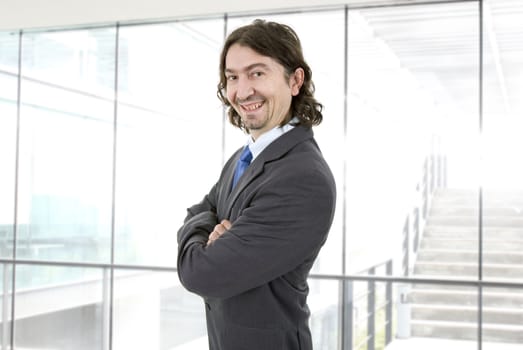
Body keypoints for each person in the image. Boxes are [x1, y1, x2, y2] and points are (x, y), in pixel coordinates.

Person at [177, 19, 336, 350]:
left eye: (257, 73)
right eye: (233, 77)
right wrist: (209, 228)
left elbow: (201, 274)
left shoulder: (303, 177)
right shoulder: (243, 157)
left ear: (295, 80)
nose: (242, 90)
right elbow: (200, 209)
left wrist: (206, 238)